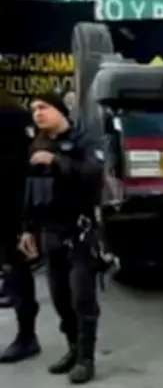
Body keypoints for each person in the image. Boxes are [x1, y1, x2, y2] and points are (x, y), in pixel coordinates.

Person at [18, 91, 105, 384]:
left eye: (43, 107)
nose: (37, 113)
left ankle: (86, 359)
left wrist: (57, 161)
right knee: (60, 299)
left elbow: (94, 174)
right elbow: (31, 191)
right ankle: (73, 348)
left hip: (79, 233)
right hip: (50, 234)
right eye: (33, 110)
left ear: (59, 111)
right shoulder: (36, 145)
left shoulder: (83, 141)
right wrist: (27, 229)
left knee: (83, 298)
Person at [0, 95, 41, 363]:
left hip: (13, 206)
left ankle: (27, 336)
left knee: (18, 268)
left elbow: (29, 161)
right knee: (10, 269)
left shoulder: (13, 115)